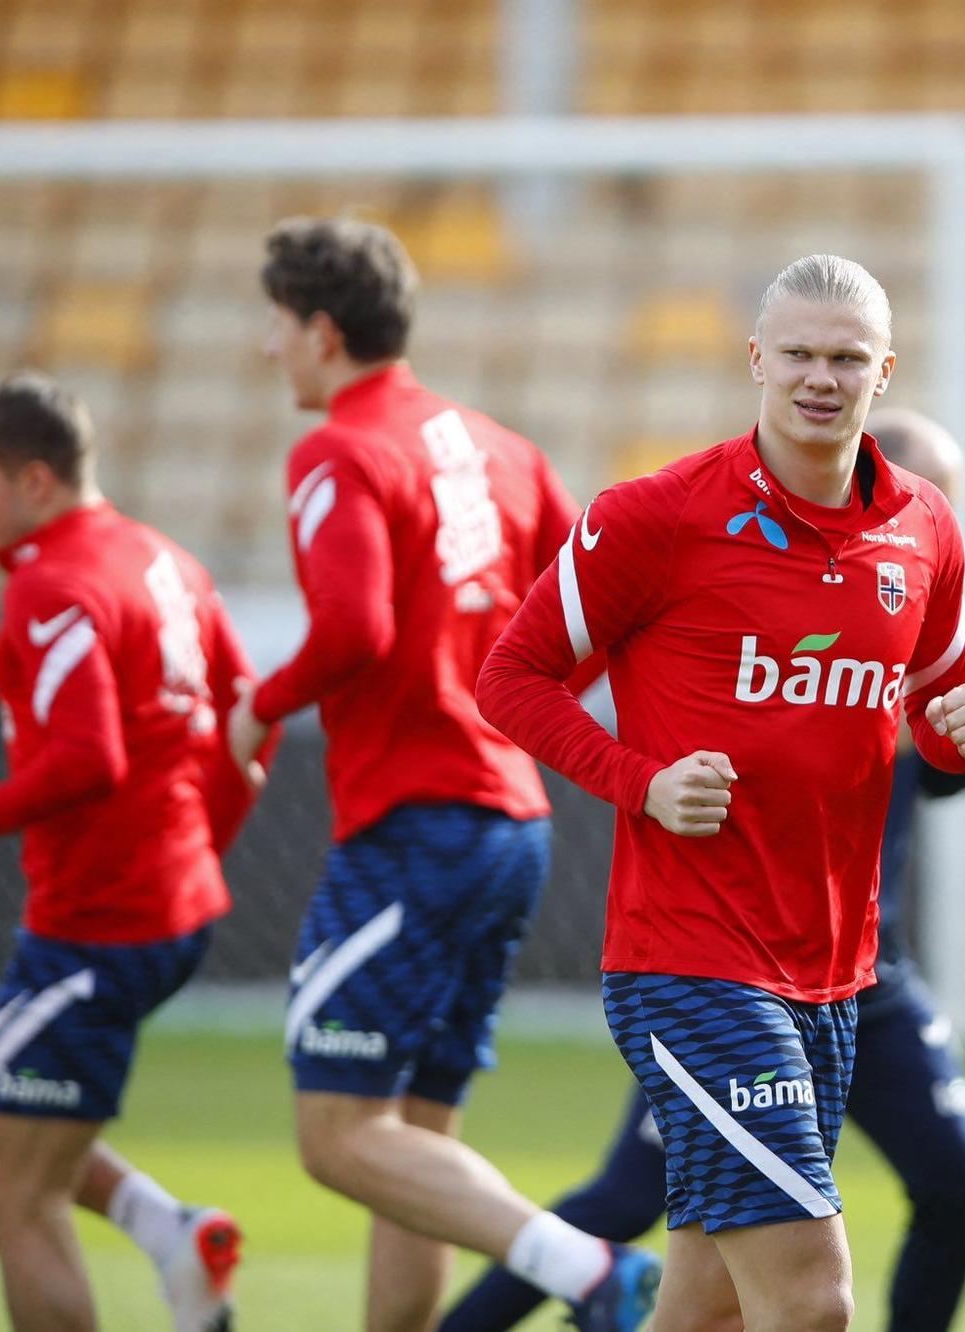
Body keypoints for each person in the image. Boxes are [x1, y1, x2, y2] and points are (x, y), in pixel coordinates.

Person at [442, 408, 965, 1332]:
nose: (928, 511)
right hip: (710, 962)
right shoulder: (702, 544)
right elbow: (515, 675)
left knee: (735, 1289)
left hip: (855, 974)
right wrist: (643, 781)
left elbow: (930, 768)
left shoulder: (909, 572)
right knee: (764, 1275)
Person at [224, 217, 656, 1332]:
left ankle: (595, 1274)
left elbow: (355, 627)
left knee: (337, 1140)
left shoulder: (336, 450)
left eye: (273, 323)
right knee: (411, 1146)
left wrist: (258, 706)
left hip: (417, 825)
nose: (266, 347)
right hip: (512, 826)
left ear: (320, 332)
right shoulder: (502, 448)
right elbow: (597, 620)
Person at [0, 372, 262, 1332]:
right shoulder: (161, 557)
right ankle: (172, 1233)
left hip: (101, 925)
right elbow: (252, 710)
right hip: (150, 907)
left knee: (20, 1199)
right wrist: (198, 843)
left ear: (35, 482)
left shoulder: (54, 586)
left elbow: (89, 759)